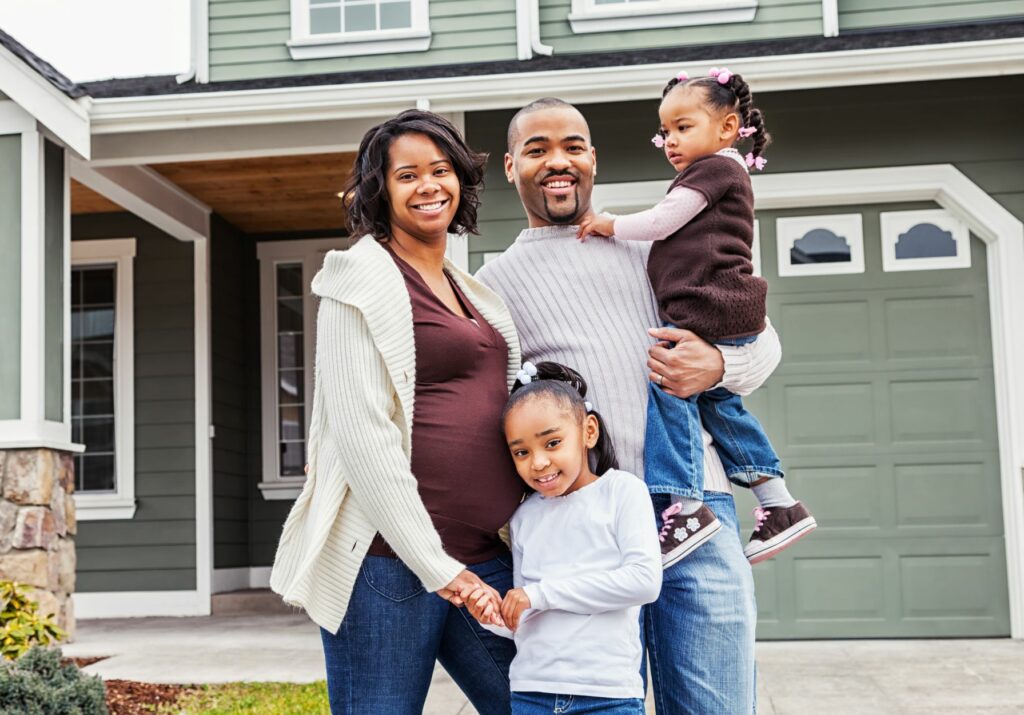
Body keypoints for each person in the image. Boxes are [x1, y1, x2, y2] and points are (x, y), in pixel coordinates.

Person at [475, 96, 781, 714]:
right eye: (537, 150)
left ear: (593, 159)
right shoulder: (495, 283)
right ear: (510, 167)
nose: (557, 162)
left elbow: (763, 341)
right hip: (587, 526)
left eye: (572, 147)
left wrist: (719, 365)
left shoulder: (659, 239)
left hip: (696, 509)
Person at [270, 109, 524, 715]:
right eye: (407, 174)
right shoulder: (356, 279)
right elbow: (364, 437)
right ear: (380, 190)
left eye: (441, 170)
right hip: (387, 566)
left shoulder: (473, 289)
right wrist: (438, 567)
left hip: (483, 558)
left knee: (544, 703)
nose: (429, 185)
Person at [576, 68, 816, 567]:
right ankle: (779, 502)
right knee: (720, 406)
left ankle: (687, 506)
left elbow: (663, 221)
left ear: (727, 128)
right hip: (724, 307)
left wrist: (608, 224)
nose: (670, 140)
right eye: (665, 131)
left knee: (671, 388)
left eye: (683, 127)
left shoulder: (715, 170)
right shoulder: (722, 171)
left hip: (710, 306)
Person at [461, 361, 661, 715]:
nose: (538, 462)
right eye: (521, 452)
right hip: (531, 693)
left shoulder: (622, 491)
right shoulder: (524, 517)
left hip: (607, 695)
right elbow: (528, 617)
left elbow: (645, 582)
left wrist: (537, 594)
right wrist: (496, 614)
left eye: (552, 442)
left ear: (588, 432)